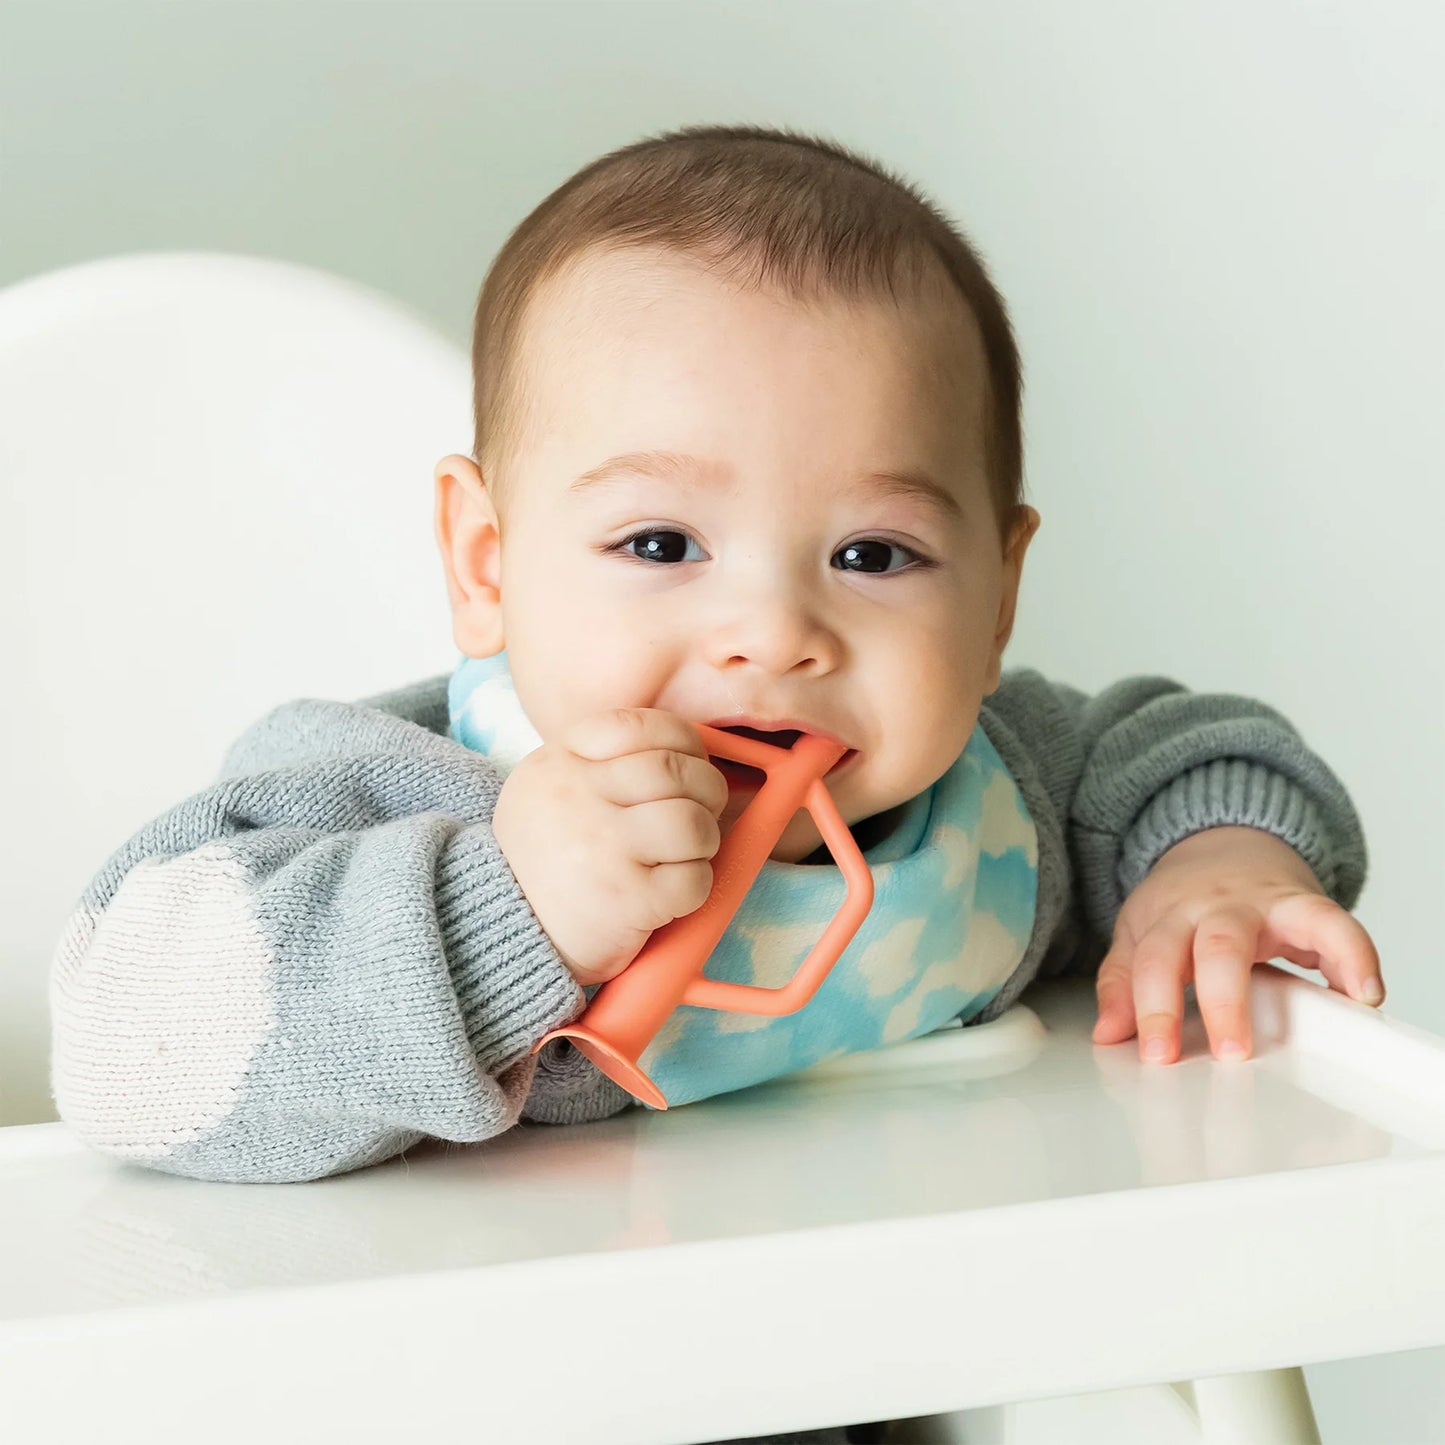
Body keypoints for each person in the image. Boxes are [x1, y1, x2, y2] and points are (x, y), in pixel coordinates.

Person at [49, 123, 1382, 1445]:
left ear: (997, 599)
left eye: (873, 552)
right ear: (484, 563)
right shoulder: (393, 793)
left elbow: (1189, 746)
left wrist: (1212, 868)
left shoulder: (1008, 800)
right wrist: (497, 908)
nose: (772, 629)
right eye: (660, 540)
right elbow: (121, 1046)